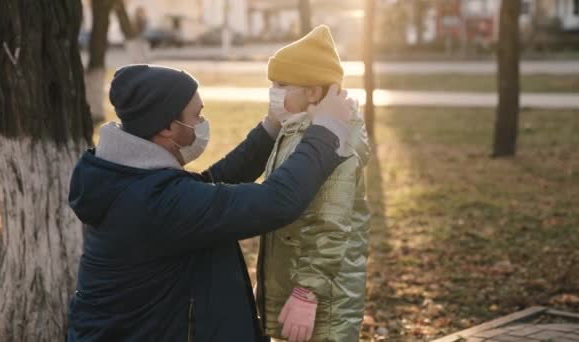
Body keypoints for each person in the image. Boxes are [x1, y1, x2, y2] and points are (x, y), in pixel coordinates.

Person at [66, 64, 355, 341]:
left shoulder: (122, 179)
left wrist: (271, 127)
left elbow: (208, 185)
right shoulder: (159, 203)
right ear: (167, 127)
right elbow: (276, 201)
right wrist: (326, 130)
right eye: (196, 115)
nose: (202, 124)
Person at [255, 25, 371, 342]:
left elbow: (329, 223)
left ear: (313, 93)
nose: (273, 93)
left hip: (324, 299)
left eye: (281, 85)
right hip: (292, 281)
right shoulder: (296, 130)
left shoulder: (335, 141)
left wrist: (308, 291)